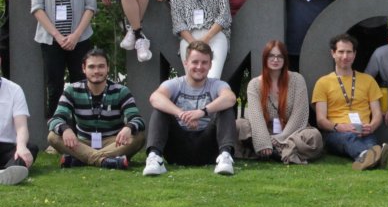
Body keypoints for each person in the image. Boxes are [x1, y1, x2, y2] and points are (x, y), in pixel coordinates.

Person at [143, 40, 237, 176]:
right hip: (178, 148)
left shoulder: (217, 84)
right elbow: (155, 97)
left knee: (226, 108)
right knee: (160, 109)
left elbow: (230, 98)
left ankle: (225, 157)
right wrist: (181, 114)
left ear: (210, 65)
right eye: (195, 62)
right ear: (186, 63)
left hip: (208, 147)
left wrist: (202, 112)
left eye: (204, 62)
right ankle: (154, 158)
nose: (199, 66)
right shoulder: (175, 84)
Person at [31, 0, 97, 118]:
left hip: (80, 38)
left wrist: (75, 35)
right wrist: (59, 37)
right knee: (54, 86)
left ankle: (82, 129)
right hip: (51, 40)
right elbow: (37, 8)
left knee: (82, 83)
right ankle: (56, 132)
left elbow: (90, 6)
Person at [47, 47, 145, 169]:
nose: (96, 71)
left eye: (101, 66)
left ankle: (81, 159)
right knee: (53, 136)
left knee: (139, 137)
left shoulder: (121, 91)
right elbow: (55, 120)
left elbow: (138, 120)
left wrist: (128, 127)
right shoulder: (71, 90)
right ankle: (106, 161)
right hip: (83, 142)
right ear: (84, 69)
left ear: (107, 68)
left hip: (113, 142)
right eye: (91, 67)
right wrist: (66, 129)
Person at [312, 33, 388, 171]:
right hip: (336, 133)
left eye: (349, 52)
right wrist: (338, 127)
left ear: (354, 54)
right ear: (333, 53)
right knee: (349, 139)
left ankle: (369, 157)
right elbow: (320, 120)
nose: (345, 57)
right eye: (341, 52)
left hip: (364, 131)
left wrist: (371, 127)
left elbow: (377, 114)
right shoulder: (323, 83)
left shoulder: (368, 80)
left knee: (368, 141)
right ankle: (368, 155)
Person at [239, 40, 322, 164]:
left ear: (285, 59)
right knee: (239, 125)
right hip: (265, 131)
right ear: (265, 59)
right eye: (271, 56)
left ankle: (272, 152)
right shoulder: (254, 84)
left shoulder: (297, 80)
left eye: (280, 56)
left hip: (293, 133)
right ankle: (278, 151)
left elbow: (299, 115)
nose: (275, 60)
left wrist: (279, 139)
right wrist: (263, 140)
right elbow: (255, 116)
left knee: (314, 137)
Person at [0, 54, 37, 185]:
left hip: (6, 147)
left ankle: (7, 173)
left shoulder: (14, 90)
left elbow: (21, 126)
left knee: (29, 148)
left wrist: (21, 146)